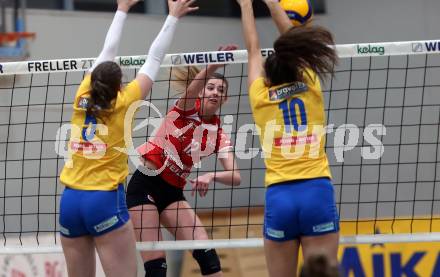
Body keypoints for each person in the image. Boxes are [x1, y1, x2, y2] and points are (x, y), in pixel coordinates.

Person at [58, 1, 197, 276]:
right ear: (120, 85)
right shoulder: (125, 101)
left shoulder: (81, 95)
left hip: (70, 201)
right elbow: (154, 58)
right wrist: (172, 16)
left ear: (91, 79)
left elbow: (107, 50)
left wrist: (121, 8)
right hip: (104, 201)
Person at [236, 0, 340, 276]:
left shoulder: (261, 97)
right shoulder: (309, 85)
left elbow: (252, 51)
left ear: (268, 76)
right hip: (316, 192)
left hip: (280, 196)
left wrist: (246, 6)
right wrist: (271, 3)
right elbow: (295, 42)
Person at [126, 45, 242, 277]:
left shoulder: (219, 134)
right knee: (157, 268)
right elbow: (193, 89)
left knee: (209, 258)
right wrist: (214, 66)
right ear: (201, 92)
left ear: (225, 98)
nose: (215, 92)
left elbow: (236, 176)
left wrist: (212, 175)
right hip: (145, 186)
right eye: (210, 87)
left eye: (220, 90)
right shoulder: (186, 109)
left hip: (173, 194)